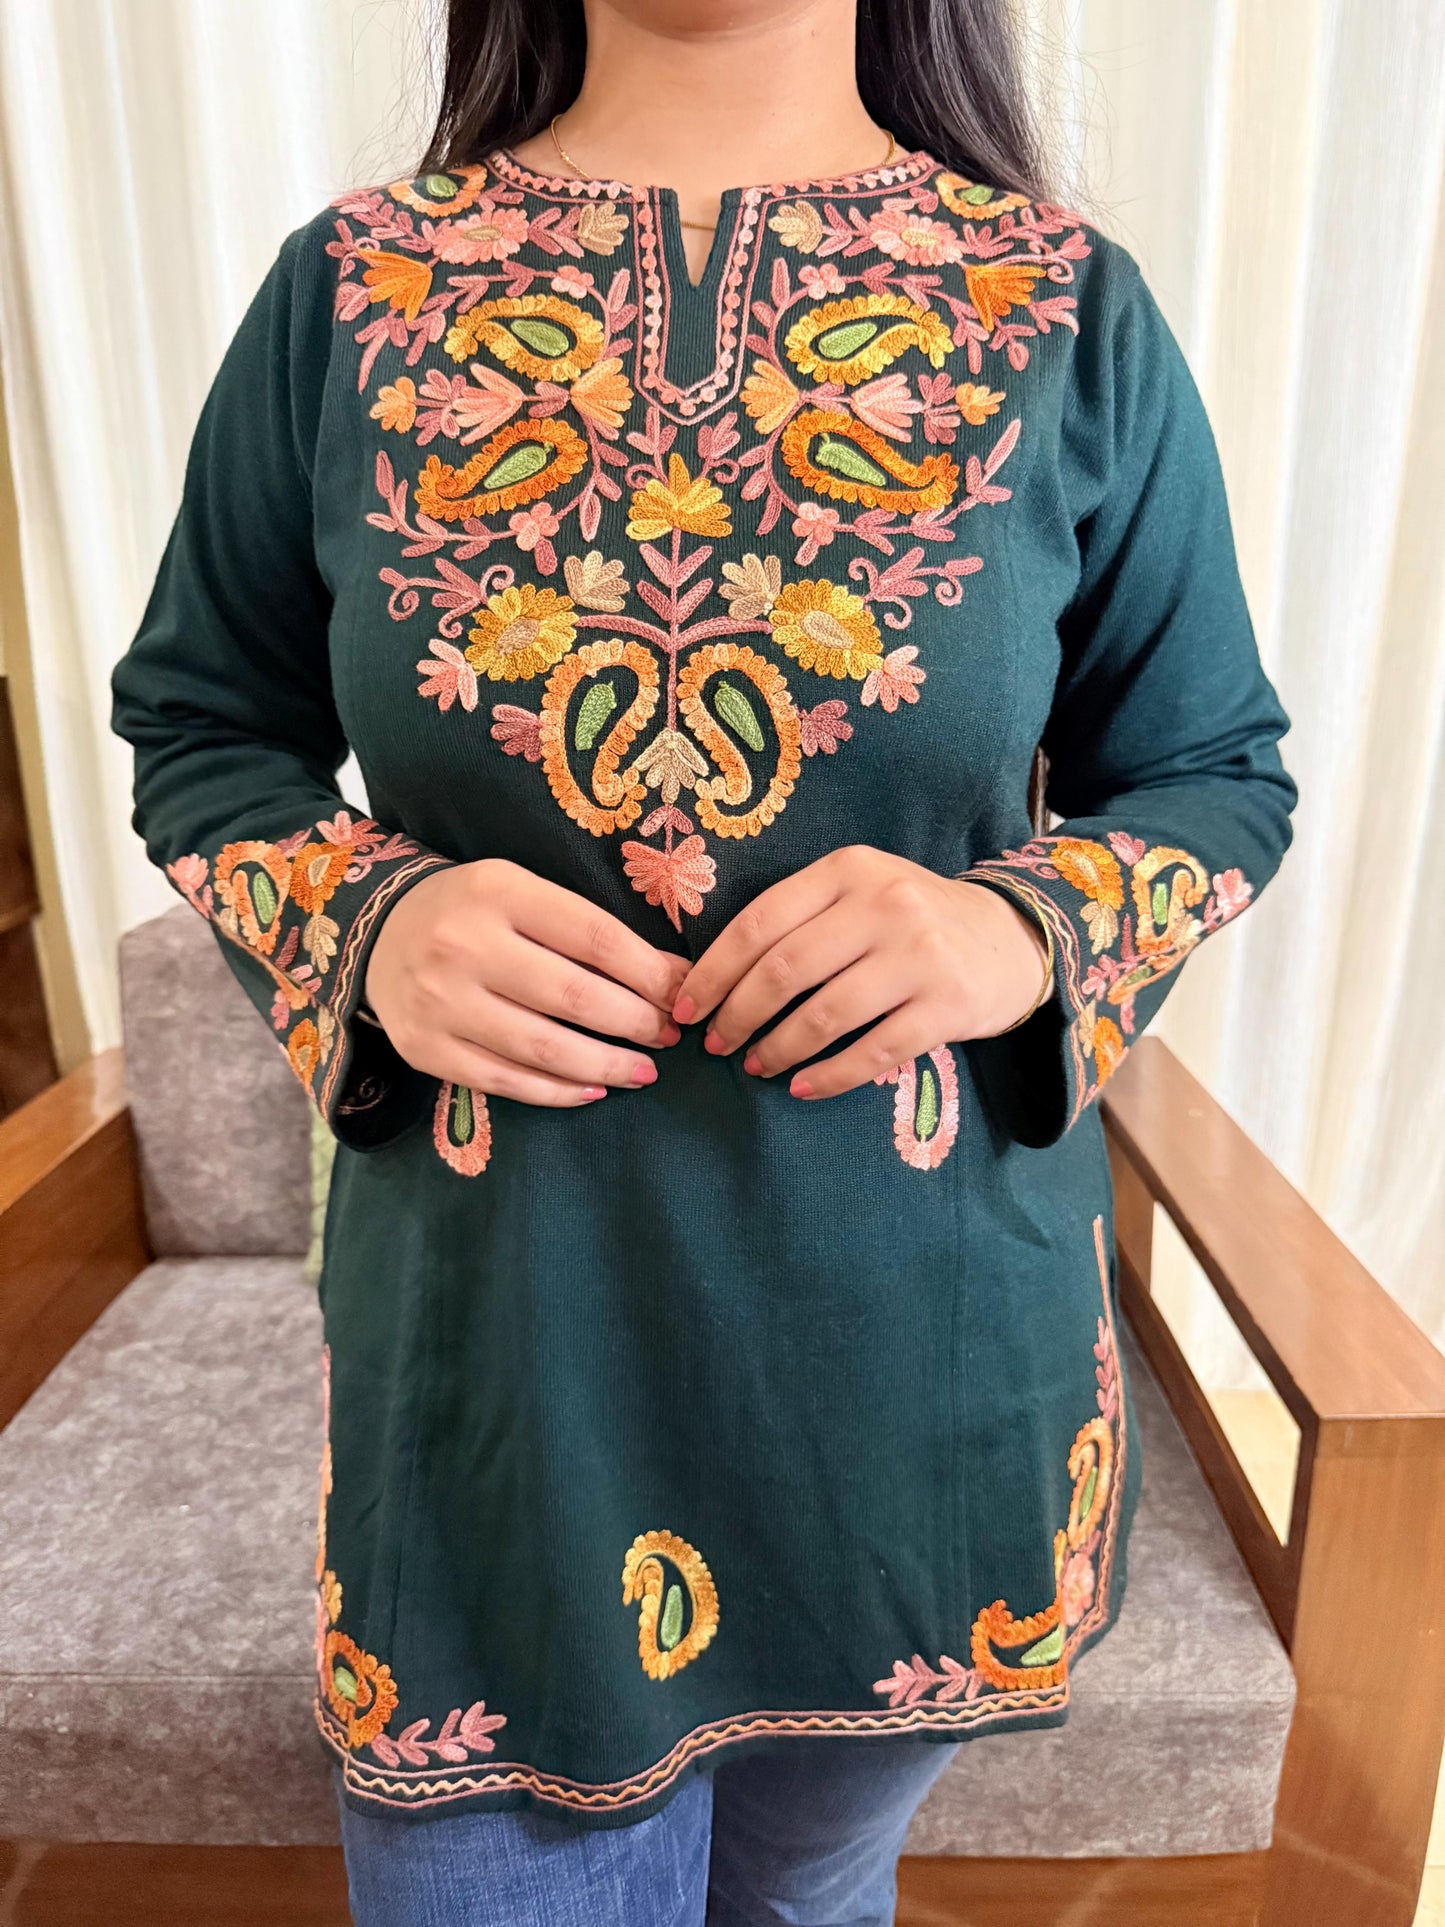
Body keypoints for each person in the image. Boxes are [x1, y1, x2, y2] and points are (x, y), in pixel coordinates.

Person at [110, 0, 1297, 1919]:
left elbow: (1212, 774)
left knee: (810, 1899)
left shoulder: (1059, 309)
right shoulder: (350, 295)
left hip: (916, 1382)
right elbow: (200, 727)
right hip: (508, 1367)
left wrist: (1013, 928)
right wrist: (365, 920)